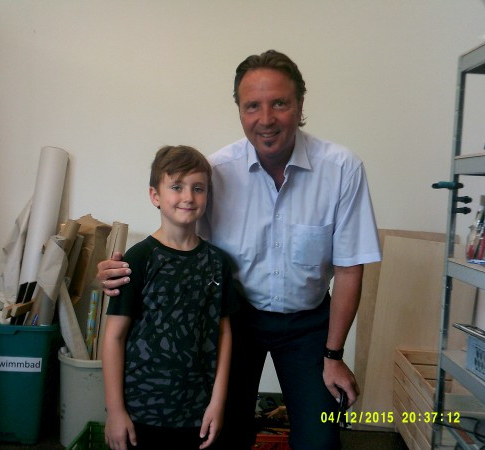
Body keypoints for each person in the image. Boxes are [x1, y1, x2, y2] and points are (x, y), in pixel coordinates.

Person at [98, 50, 381, 450]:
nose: (266, 119)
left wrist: (333, 356)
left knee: (320, 438)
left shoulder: (341, 169)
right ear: (240, 110)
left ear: (300, 105)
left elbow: (350, 268)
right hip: (235, 320)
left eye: (279, 103)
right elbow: (178, 241)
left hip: (308, 325)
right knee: (220, 436)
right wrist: (118, 271)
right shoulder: (215, 173)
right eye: (252, 106)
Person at [102, 145, 235, 450]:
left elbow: (224, 333)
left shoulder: (218, 262)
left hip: (197, 411)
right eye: (176, 187)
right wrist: (115, 411)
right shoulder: (138, 259)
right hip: (141, 410)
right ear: (155, 196)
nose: (188, 197)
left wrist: (218, 402)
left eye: (198, 188)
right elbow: (113, 337)